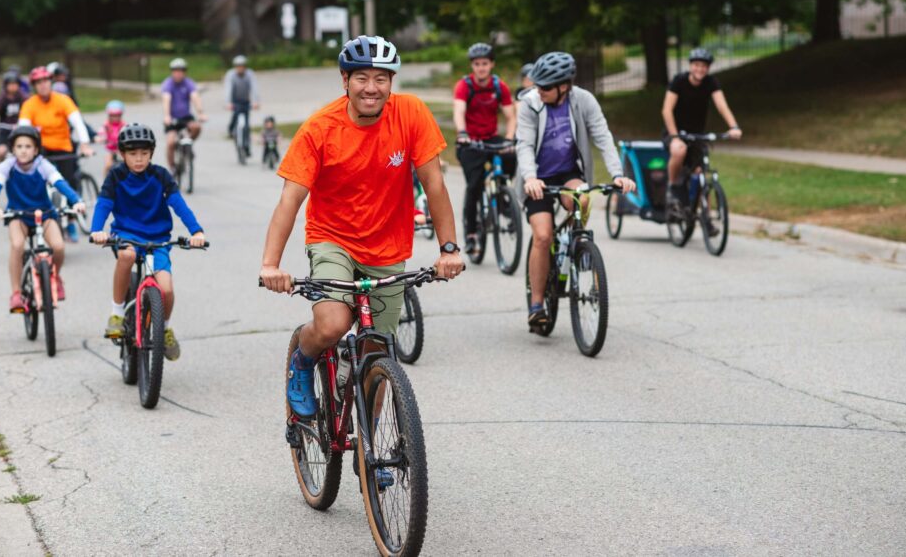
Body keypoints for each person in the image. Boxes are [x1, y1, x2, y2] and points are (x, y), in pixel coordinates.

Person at [259, 35, 465, 437]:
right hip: (332, 237)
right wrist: (271, 264)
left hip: (387, 245)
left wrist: (449, 249)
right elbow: (290, 200)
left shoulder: (411, 114)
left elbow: (434, 184)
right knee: (334, 324)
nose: (372, 88)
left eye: (381, 78)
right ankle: (303, 359)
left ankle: (370, 447)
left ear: (391, 82)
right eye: (362, 78)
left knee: (377, 351)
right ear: (345, 81)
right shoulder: (320, 129)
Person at [516, 51, 635, 332]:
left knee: (582, 201)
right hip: (538, 178)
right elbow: (523, 145)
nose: (539, 90)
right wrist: (531, 178)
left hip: (569, 173)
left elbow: (603, 137)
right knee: (543, 236)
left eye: (545, 87)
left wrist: (618, 175)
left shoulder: (583, 100)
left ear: (564, 86)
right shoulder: (530, 104)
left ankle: (575, 247)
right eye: (537, 85)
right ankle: (536, 305)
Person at [90, 124, 206, 361]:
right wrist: (96, 230)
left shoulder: (161, 176)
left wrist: (197, 231)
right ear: (123, 154)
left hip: (158, 240)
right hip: (126, 236)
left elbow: (178, 204)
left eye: (144, 153)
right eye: (133, 154)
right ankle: (117, 314)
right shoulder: (116, 175)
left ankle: (164, 329)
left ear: (152, 153)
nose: (139, 159)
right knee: (127, 256)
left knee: (166, 289)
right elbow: (104, 203)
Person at [0, 127, 85, 311]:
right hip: (18, 215)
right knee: (17, 245)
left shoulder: (43, 165)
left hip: (45, 214)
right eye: (19, 146)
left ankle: (55, 277)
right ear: (13, 149)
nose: (23, 150)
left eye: (28, 146)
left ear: (36, 150)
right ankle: (16, 293)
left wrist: (76, 201)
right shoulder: (7, 166)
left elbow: (61, 184)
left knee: (58, 247)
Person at [453, 42, 517, 255]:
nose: (481, 68)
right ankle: (471, 234)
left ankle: (504, 195)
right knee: (475, 185)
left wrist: (509, 138)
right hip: (470, 141)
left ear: (492, 64)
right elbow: (459, 112)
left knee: (511, 155)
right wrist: (462, 133)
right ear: (472, 65)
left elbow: (510, 116)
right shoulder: (464, 86)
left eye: (485, 64)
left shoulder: (499, 86)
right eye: (477, 64)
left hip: (491, 138)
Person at [661, 47, 742, 215]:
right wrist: (674, 136)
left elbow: (722, 105)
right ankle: (673, 186)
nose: (700, 69)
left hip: (697, 134)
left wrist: (733, 126)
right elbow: (666, 110)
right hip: (675, 131)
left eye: (704, 66)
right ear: (691, 66)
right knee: (679, 150)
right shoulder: (679, 81)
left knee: (700, 174)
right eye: (697, 65)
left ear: (708, 68)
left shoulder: (711, 82)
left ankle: (705, 217)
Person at [18, 66, 93, 243]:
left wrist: (84, 144)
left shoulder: (63, 100)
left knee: (69, 182)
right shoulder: (30, 104)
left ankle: (72, 220)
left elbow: (77, 122)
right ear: (34, 86)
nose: (43, 85)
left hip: (63, 147)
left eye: (45, 81)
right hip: (41, 150)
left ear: (50, 82)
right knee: (36, 183)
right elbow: (23, 128)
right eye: (38, 83)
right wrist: (23, 150)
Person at [161, 58, 206, 172]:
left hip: (186, 117)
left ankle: (187, 147)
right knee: (171, 143)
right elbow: (166, 99)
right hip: (172, 119)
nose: (178, 73)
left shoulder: (188, 83)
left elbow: (195, 97)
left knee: (196, 127)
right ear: (172, 72)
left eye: (181, 71)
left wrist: (201, 113)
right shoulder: (168, 84)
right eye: (175, 71)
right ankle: (172, 167)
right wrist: (167, 116)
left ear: (184, 72)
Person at [224, 54, 260, 150]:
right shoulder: (231, 75)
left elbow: (254, 88)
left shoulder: (250, 74)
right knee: (235, 115)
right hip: (235, 101)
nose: (240, 68)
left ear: (245, 67)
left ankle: (247, 144)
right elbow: (228, 89)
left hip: (246, 101)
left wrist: (255, 101)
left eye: (242, 66)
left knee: (247, 125)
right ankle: (231, 129)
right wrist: (228, 103)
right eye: (238, 66)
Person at [0, 73, 25, 162]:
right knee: (1, 152)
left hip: (20, 129)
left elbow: (30, 107)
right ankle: (2, 170)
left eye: (15, 84)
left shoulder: (22, 97)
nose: (13, 86)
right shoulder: (2, 98)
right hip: (5, 130)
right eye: (10, 84)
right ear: (6, 85)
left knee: (24, 152)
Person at [96, 100, 127, 176]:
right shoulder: (106, 125)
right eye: (112, 115)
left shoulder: (123, 125)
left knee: (128, 163)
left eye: (117, 115)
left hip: (120, 148)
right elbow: (101, 133)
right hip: (109, 148)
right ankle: (106, 182)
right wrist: (101, 138)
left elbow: (128, 132)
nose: (115, 118)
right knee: (108, 164)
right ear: (109, 115)